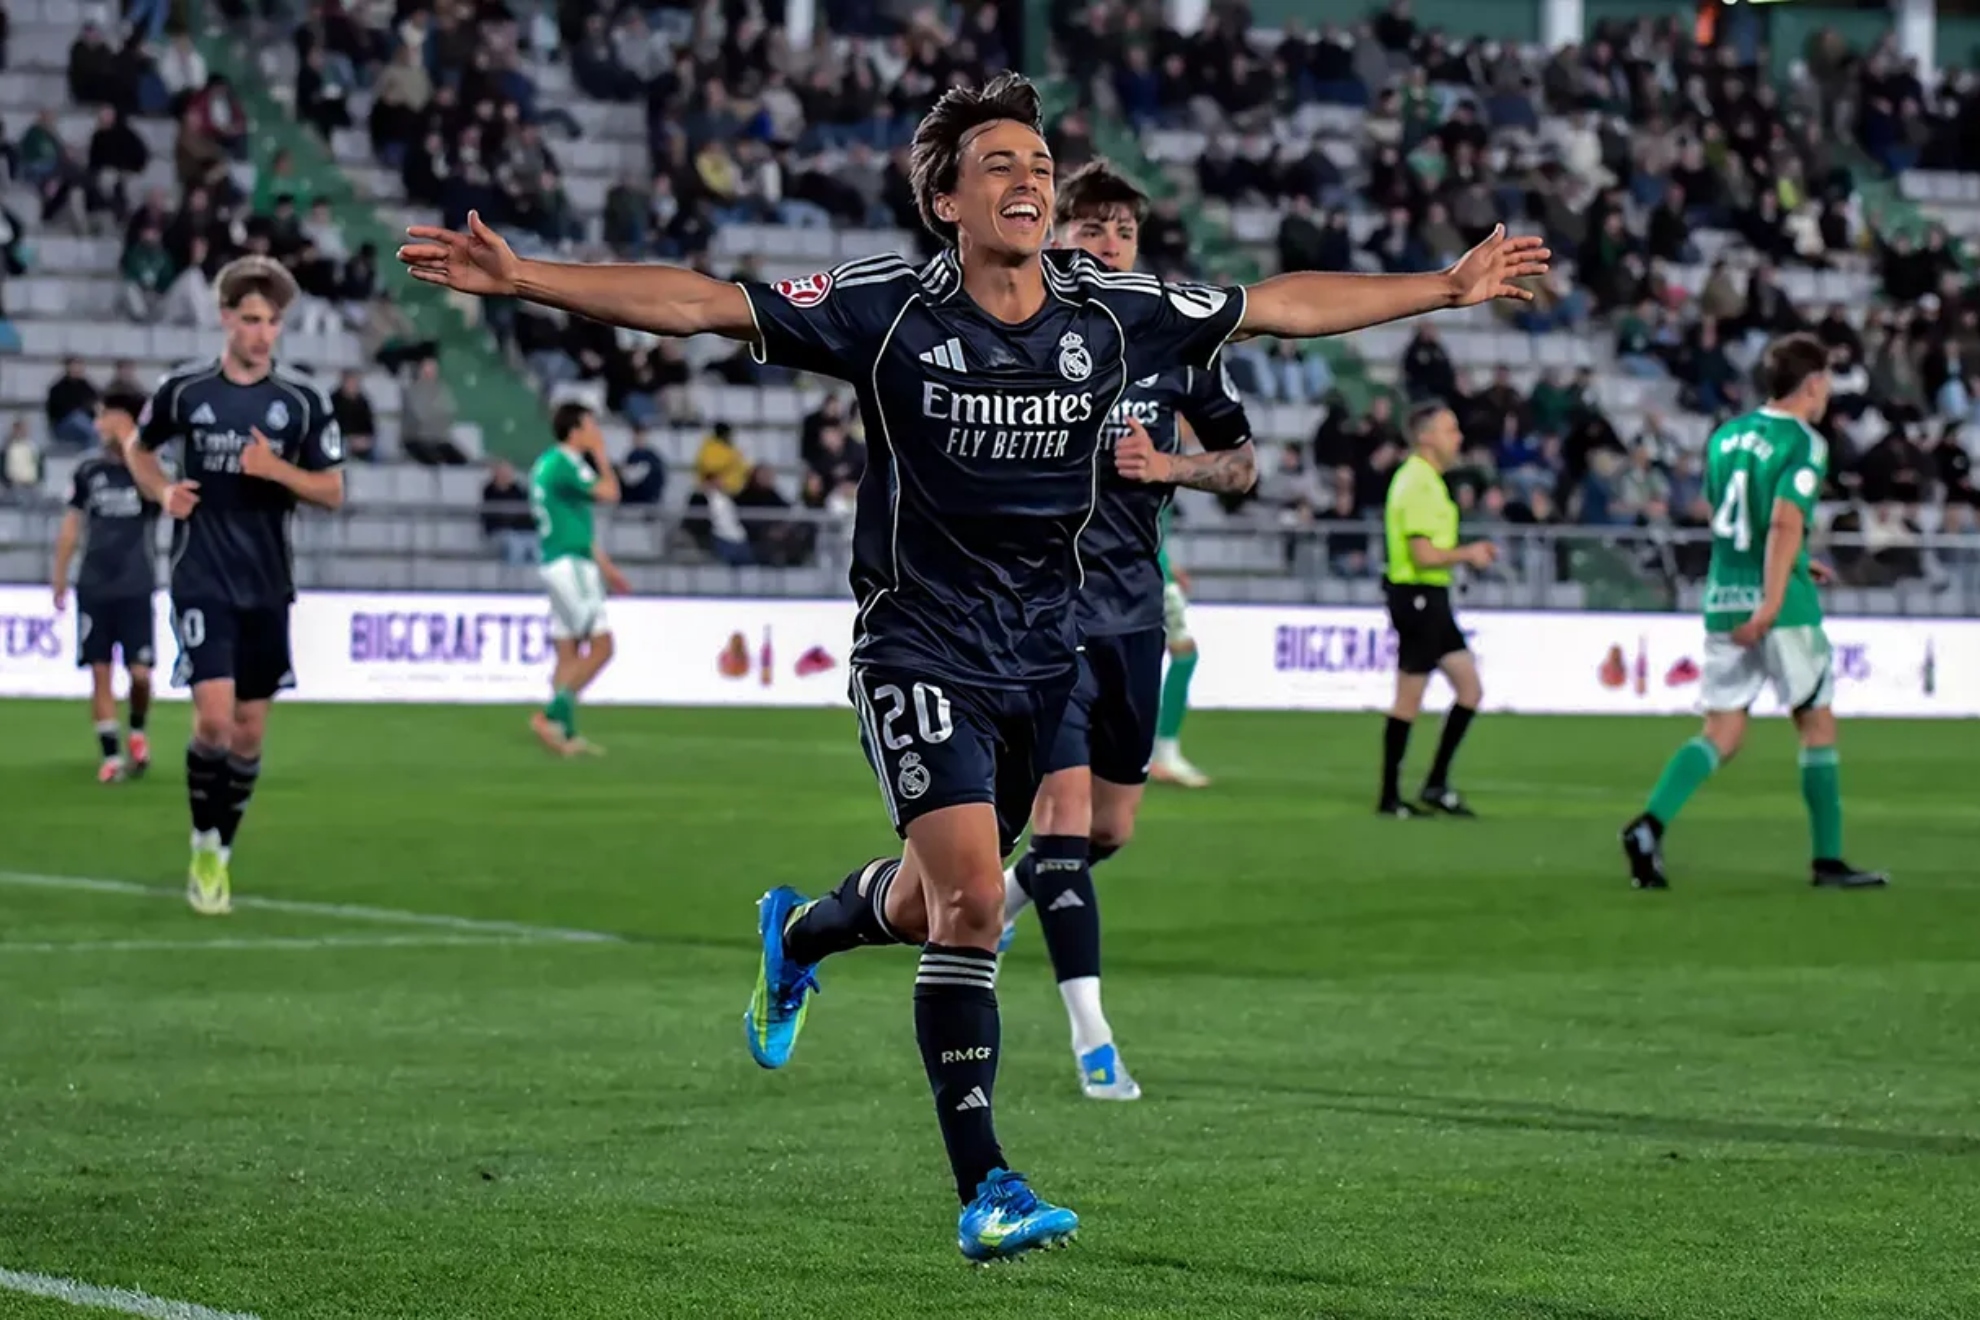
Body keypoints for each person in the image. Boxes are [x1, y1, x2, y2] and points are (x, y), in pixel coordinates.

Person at [398, 72, 1547, 1263]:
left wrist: (1447, 290)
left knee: (926, 900)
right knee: (977, 908)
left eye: (1041, 165)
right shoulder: (886, 307)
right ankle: (986, 1183)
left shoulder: (1112, 309)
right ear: (945, 199)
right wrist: (525, 277)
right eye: (1000, 164)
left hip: (1042, 654)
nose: (1032, 180)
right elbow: (699, 303)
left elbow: (1279, 307)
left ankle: (799, 934)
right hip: (917, 640)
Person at [994, 160, 1258, 1102]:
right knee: (1060, 821)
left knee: (1109, 828)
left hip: (1134, 612)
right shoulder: (1020, 328)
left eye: (1124, 232)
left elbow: (1243, 465)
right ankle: (1093, 1039)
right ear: (1053, 231)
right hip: (1042, 611)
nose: (1109, 243)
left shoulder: (1173, 344)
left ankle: (1001, 905)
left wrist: (1172, 467)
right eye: (1091, 226)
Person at [1622, 334, 1886, 890]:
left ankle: (1649, 825)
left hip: (1722, 598)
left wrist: (1792, 564)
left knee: (1722, 729)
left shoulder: (1725, 437)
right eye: (1827, 382)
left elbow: (1733, 519)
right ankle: (1828, 861)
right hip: (1778, 607)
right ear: (1813, 384)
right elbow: (1785, 520)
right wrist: (1773, 596)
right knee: (1816, 723)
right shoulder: (1805, 444)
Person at [124, 257, 346, 916]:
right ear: (225, 319)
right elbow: (138, 450)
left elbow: (332, 490)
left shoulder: (303, 401)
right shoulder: (184, 391)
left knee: (250, 733)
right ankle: (202, 841)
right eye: (251, 319)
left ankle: (221, 851)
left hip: (268, 584)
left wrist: (274, 468)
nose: (263, 333)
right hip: (202, 577)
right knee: (215, 722)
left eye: (273, 322)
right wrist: (163, 489)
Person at [1378, 404, 1495, 817]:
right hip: (1418, 596)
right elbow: (1423, 553)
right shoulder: (1417, 483)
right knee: (1409, 697)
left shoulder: (1428, 480)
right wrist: (1470, 554)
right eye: (1451, 429)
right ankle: (1390, 797)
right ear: (1426, 437)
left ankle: (1435, 784)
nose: (1458, 437)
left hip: (1433, 598)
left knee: (1470, 689)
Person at [51, 386, 159, 784]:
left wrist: (132, 444)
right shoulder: (87, 472)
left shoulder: (147, 469)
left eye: (104, 417)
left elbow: (159, 497)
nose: (97, 425)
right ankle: (111, 757)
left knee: (141, 674)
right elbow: (71, 525)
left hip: (136, 585)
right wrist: (60, 575)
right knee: (99, 671)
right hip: (94, 585)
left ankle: (137, 731)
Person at [528, 403, 630, 756]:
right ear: (574, 431)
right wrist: (601, 456)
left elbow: (574, 523)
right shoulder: (567, 464)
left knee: (568, 650)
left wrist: (606, 566)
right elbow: (610, 493)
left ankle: (565, 736)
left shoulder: (547, 464)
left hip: (559, 559)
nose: (595, 432)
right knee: (603, 646)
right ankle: (551, 715)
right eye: (590, 426)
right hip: (570, 565)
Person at [1149, 524, 1208, 786]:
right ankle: (1165, 754)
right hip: (1148, 569)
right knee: (1184, 655)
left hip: (1143, 564)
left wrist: (1168, 563)